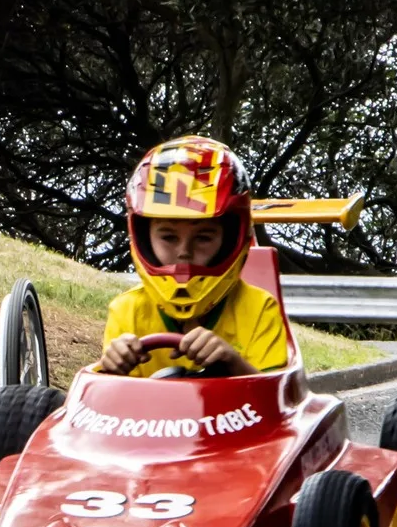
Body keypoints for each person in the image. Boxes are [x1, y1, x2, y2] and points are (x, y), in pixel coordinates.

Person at [97, 136, 290, 378]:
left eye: (203, 238)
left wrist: (231, 362)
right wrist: (113, 367)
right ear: (144, 239)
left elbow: (275, 395)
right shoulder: (127, 311)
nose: (184, 252)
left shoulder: (260, 309)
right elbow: (107, 398)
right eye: (169, 237)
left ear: (230, 240)